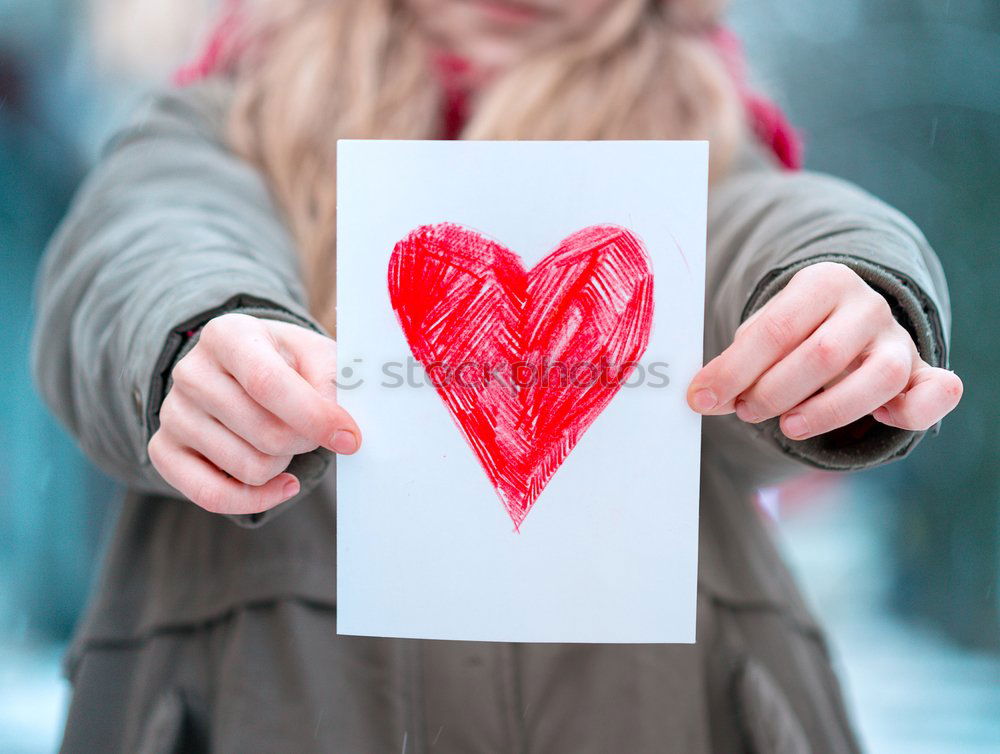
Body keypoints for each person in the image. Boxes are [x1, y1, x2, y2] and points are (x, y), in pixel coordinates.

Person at [31, 0, 963, 751]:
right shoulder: (224, 118)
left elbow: (770, 227)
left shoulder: (704, 140)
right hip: (270, 696)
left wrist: (848, 294)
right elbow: (145, 239)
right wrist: (196, 335)